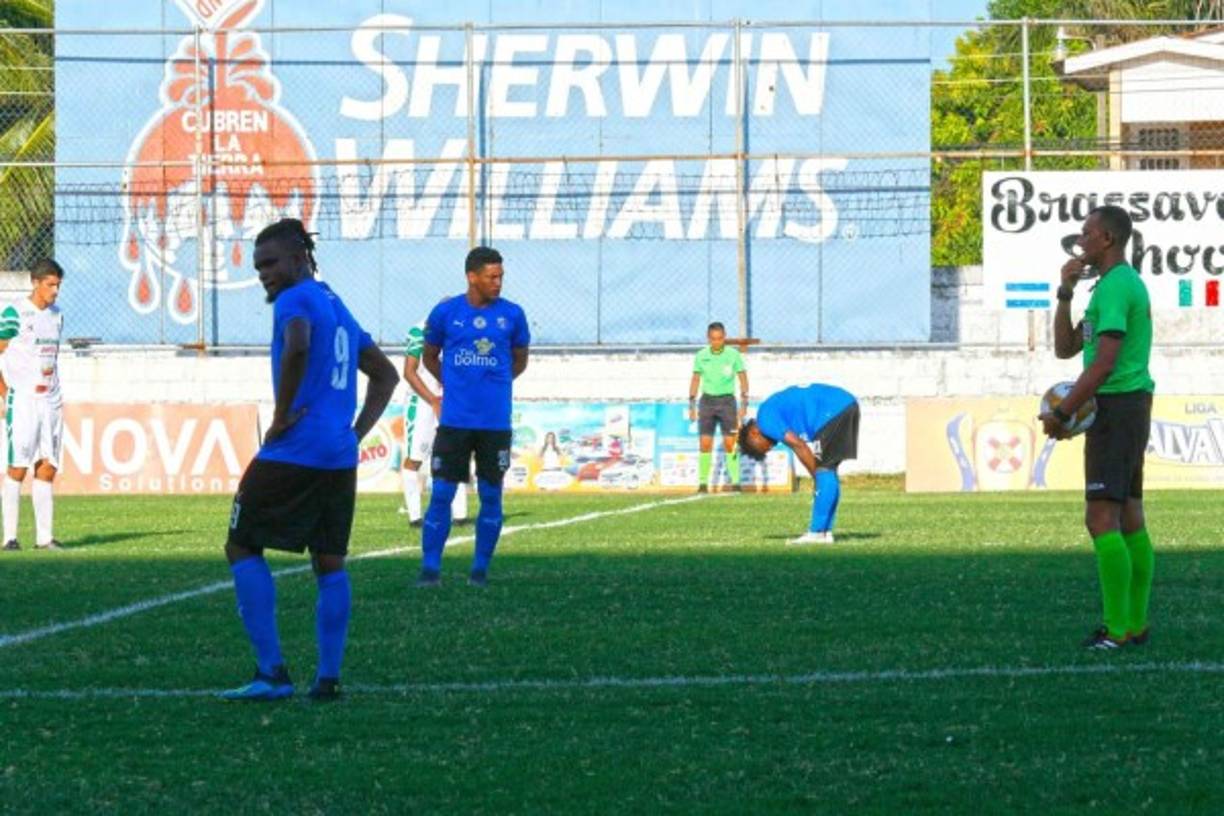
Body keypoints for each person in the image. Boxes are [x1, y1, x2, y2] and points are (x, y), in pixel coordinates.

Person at [220, 218, 398, 702]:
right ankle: (328, 679)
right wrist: (354, 435)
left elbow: (297, 343)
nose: (264, 274)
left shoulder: (294, 299)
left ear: (299, 258)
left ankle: (272, 674)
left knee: (241, 545)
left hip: (295, 448)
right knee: (329, 561)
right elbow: (385, 376)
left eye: (271, 263)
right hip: (337, 455)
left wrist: (280, 416)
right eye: (259, 267)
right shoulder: (336, 304)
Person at [1038, 204, 1155, 651]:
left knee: (1101, 517)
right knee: (1129, 515)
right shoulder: (1107, 287)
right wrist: (1065, 293)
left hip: (1118, 407)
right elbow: (1066, 348)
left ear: (1107, 238)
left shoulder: (1118, 286)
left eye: (1086, 233)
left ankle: (1116, 629)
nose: (1080, 240)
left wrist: (1064, 412)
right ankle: (1135, 625)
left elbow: (1104, 365)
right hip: (1126, 406)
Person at [417, 246, 530, 588]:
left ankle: (479, 571)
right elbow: (429, 356)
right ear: (471, 277)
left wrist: (496, 383)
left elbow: (520, 360)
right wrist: (454, 384)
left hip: (495, 424)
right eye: (491, 277)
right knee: (441, 493)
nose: (498, 283)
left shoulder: (512, 315)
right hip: (454, 422)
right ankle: (430, 570)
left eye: (501, 277)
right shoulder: (445, 313)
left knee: (491, 495)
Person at [738, 384, 860, 544]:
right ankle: (825, 532)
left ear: (753, 433)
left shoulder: (765, 421)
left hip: (831, 410)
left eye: (762, 448)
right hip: (845, 405)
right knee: (828, 471)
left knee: (824, 472)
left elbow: (799, 446)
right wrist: (818, 479)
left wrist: (817, 480)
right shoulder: (770, 416)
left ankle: (817, 533)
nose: (769, 448)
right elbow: (799, 447)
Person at [0, 259, 66, 552]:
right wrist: (4, 393)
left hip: (51, 399)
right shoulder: (14, 313)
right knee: (18, 466)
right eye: (50, 285)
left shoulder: (57, 315)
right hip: (24, 399)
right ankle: (10, 538)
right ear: (35, 282)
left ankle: (44, 538)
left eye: (58, 285)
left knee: (48, 466)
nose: (55, 291)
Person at [401, 318, 468, 528]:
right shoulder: (418, 331)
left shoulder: (459, 330)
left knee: (456, 455)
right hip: (421, 403)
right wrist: (432, 400)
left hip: (449, 402)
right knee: (415, 459)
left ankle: (460, 516)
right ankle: (415, 517)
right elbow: (409, 372)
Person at [689, 322, 748, 492]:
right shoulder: (701, 356)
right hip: (707, 403)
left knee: (730, 443)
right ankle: (702, 483)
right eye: (713, 339)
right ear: (708, 338)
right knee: (705, 443)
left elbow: (743, 379)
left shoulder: (733, 355)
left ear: (725, 337)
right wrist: (692, 406)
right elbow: (695, 379)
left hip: (727, 403)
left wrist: (744, 404)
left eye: (720, 338)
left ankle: (736, 483)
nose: (717, 342)